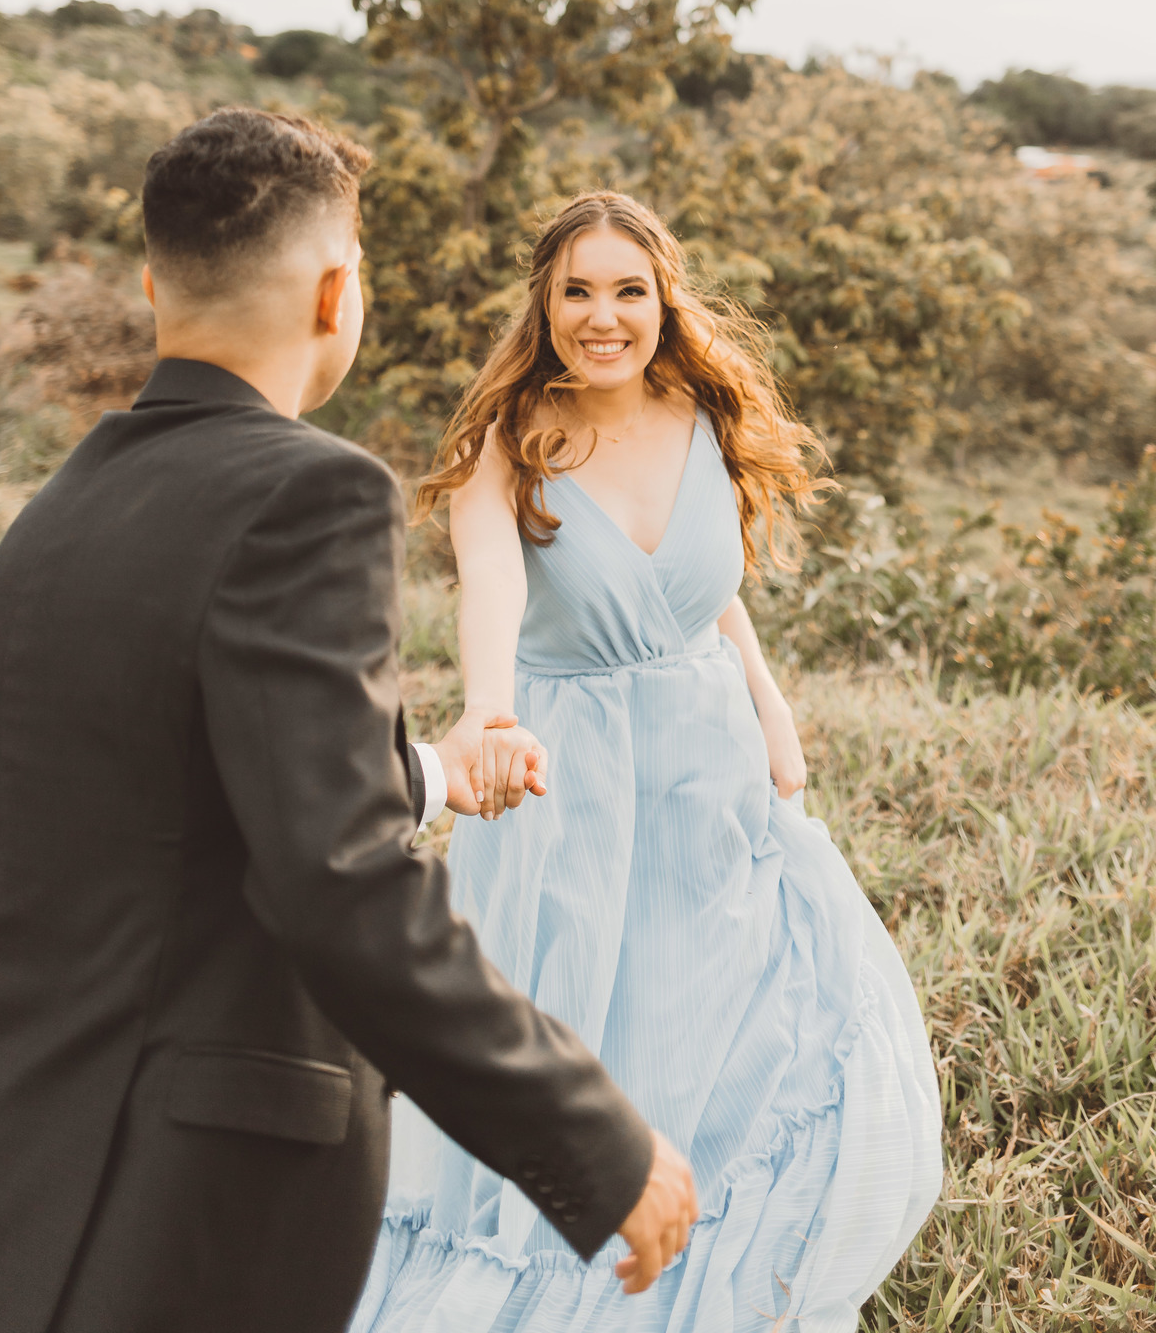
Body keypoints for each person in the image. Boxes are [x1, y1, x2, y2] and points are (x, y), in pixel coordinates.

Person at [0, 116, 697, 1333]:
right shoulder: (314, 491)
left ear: (153, 285)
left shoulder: (50, 522)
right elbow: (339, 878)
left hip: (15, 1172)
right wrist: (594, 1138)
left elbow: (180, 800)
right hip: (191, 1200)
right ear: (339, 291)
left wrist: (429, 773)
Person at [354, 191, 943, 1332]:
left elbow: (711, 590)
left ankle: (705, 1263)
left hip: (706, 760)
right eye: (578, 290)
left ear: (664, 299)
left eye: (629, 290)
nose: (603, 316)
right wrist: (489, 715)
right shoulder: (505, 444)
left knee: (732, 1011)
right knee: (583, 1029)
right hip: (566, 779)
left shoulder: (701, 416)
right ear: (545, 300)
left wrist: (768, 701)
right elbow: (493, 588)